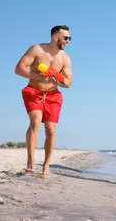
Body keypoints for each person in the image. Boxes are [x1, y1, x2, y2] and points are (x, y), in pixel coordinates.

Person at [15, 25, 73, 176]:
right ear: (56, 37)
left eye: (69, 38)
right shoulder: (37, 50)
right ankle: (31, 162)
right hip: (34, 91)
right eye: (66, 38)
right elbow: (19, 68)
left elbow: (68, 83)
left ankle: (46, 166)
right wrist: (37, 76)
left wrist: (59, 81)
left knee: (51, 130)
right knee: (35, 121)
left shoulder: (65, 58)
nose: (68, 41)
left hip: (53, 95)